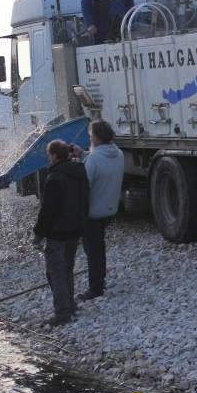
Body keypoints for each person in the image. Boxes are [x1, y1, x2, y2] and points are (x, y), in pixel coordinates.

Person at [32, 140, 89, 327]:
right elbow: (85, 200)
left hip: (57, 233)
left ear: (55, 156)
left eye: (50, 155)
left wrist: (38, 235)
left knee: (55, 273)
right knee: (67, 269)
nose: (50, 158)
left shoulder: (55, 178)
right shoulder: (80, 172)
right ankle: (70, 305)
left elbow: (47, 211)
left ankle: (62, 313)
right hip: (74, 230)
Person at [71, 120, 125, 300]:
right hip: (109, 209)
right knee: (99, 247)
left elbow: (84, 185)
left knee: (92, 251)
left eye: (90, 135)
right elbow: (101, 163)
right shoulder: (118, 154)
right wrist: (84, 154)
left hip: (92, 212)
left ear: (95, 136)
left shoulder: (94, 159)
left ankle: (95, 288)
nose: (90, 138)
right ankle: (100, 280)